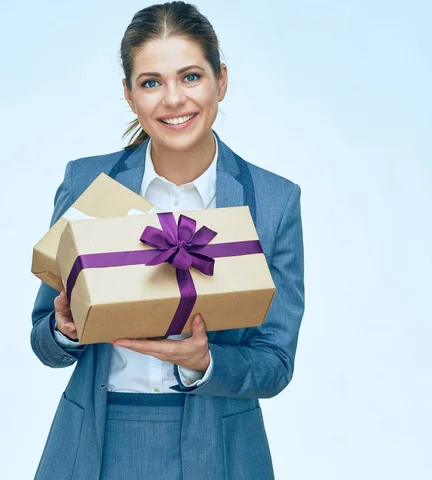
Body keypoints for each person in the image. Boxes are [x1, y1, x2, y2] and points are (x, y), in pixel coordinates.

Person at [30, 2, 304, 479]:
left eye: (191, 76)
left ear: (221, 80)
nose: (173, 99)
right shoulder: (88, 183)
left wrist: (207, 362)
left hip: (220, 447)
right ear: (129, 95)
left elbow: (275, 363)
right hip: (96, 440)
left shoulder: (272, 202)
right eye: (151, 82)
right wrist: (65, 330)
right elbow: (43, 339)